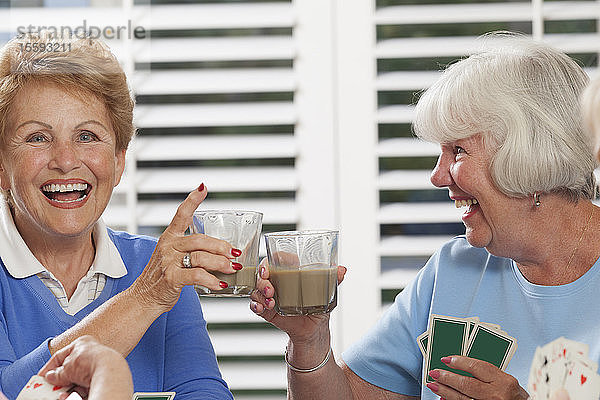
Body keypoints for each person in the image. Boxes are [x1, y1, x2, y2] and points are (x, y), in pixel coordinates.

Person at [251, 32, 600, 399]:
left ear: (530, 155)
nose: (436, 176)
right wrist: (309, 340)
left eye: (458, 151)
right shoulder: (452, 271)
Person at [0, 32, 237, 399]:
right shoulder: (156, 280)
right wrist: (144, 297)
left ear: (118, 159)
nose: (65, 161)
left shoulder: (157, 266)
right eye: (37, 138)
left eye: (87, 136)